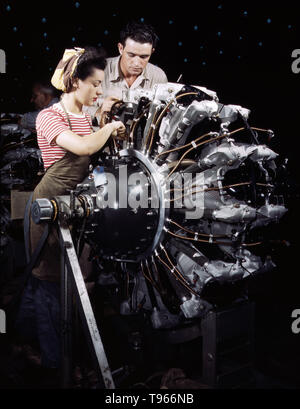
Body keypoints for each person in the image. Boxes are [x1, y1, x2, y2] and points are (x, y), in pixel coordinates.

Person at [15, 46, 125, 374]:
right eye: (95, 84)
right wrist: (107, 129)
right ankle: (53, 365)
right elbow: (82, 147)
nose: (100, 90)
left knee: (63, 284)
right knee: (49, 283)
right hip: (48, 206)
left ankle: (24, 340)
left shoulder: (84, 117)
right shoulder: (51, 116)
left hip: (74, 207)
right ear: (76, 82)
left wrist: (105, 120)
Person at [86, 21, 168, 125]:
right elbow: (75, 109)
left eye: (144, 57)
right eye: (131, 55)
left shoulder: (159, 77)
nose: (137, 63)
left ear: (152, 51)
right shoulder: (99, 70)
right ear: (120, 48)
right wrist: (99, 111)